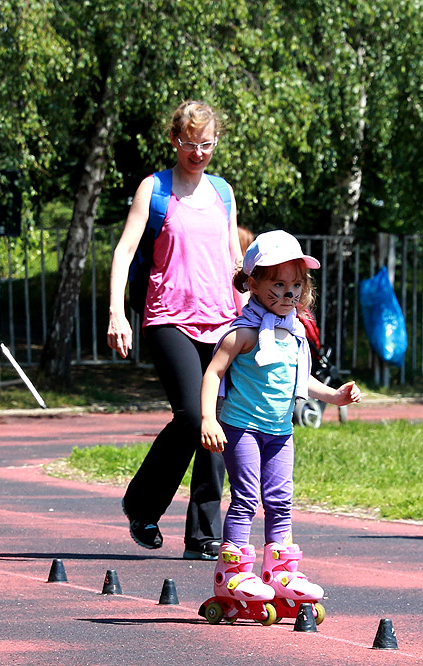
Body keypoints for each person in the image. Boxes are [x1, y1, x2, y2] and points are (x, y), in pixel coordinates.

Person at [106, 100, 243, 560]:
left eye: (206, 144)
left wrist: (253, 318)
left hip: (222, 320)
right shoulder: (155, 188)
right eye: (189, 143)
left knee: (217, 425)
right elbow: (125, 252)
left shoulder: (223, 192)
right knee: (191, 415)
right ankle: (142, 504)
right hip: (169, 318)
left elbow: (234, 262)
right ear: (174, 141)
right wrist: (116, 312)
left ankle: (203, 535)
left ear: (216, 142)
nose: (198, 152)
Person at [200, 230, 361, 615]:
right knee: (245, 499)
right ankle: (233, 572)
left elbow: (299, 380)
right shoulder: (243, 333)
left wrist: (334, 396)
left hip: (279, 432)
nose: (288, 293)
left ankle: (280, 573)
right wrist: (209, 418)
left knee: (281, 500)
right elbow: (212, 374)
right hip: (241, 429)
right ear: (253, 283)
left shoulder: (293, 333)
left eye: (295, 285)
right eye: (278, 284)